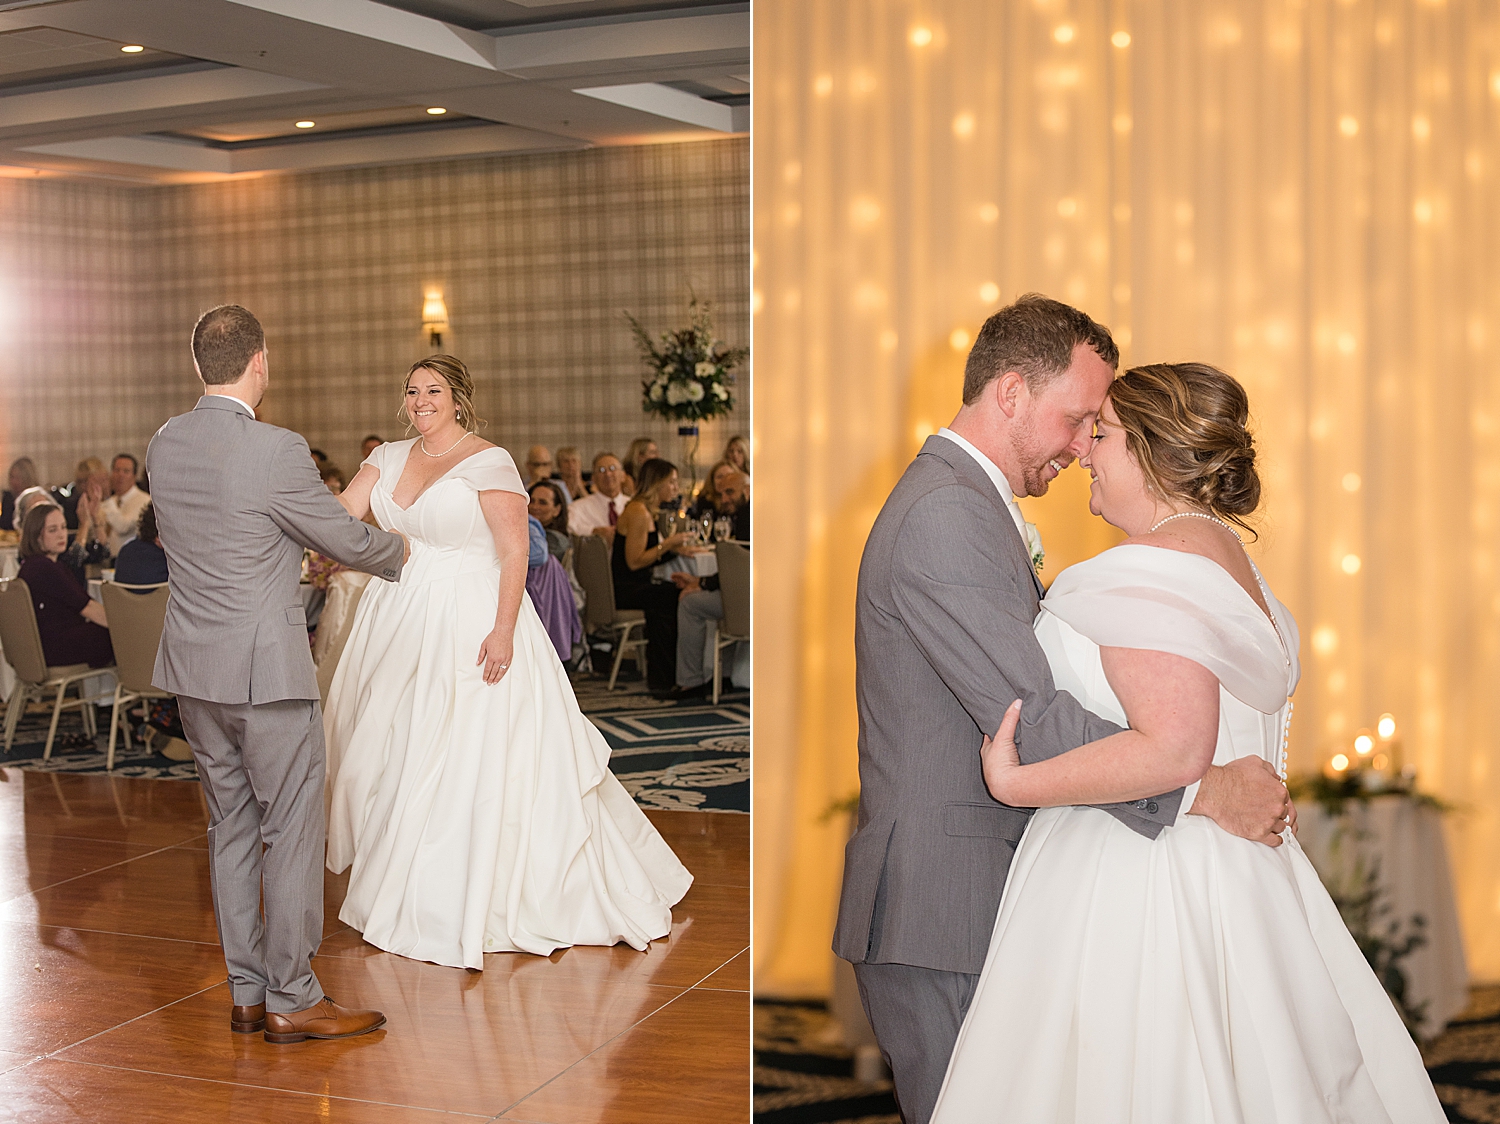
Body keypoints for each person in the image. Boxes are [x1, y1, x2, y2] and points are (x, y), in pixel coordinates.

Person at [931, 362, 1444, 1122]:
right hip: (1245, 875)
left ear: (1147, 448)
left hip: (1141, 880)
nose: (1084, 453)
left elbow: (1174, 751)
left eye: (1100, 434)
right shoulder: (1242, 572)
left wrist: (1015, 784)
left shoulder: (1142, 572)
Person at [836, 295, 1292, 1124]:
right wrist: (1203, 788)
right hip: (948, 900)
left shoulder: (974, 505)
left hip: (987, 890)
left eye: (1097, 429)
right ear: (1010, 393)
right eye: (1079, 418)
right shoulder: (946, 512)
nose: (1086, 445)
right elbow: (1033, 717)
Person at [324, 355, 691, 970]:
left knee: (468, 748)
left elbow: (515, 550)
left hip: (473, 614)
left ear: (458, 399)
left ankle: (478, 894)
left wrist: (503, 630)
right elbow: (338, 519)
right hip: (397, 613)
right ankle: (406, 883)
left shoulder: (488, 460)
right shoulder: (384, 457)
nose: (420, 401)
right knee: (397, 748)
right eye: (412, 392)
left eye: (433, 391)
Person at [148, 304, 407, 1045]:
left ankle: (247, 994)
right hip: (266, 673)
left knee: (230, 828)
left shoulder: (167, 441)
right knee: (291, 832)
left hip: (195, 670)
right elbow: (340, 537)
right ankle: (295, 996)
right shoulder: (277, 448)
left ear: (201, 365)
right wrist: (404, 553)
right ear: (260, 361)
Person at [612, 457, 695, 693]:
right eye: (672, 482)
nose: (676, 488)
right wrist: (669, 544)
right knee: (675, 598)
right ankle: (664, 678)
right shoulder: (638, 511)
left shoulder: (643, 509)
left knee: (674, 592)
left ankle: (668, 675)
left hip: (635, 584)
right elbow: (635, 561)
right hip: (627, 588)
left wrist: (677, 550)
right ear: (657, 483)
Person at [669, 467, 749, 698]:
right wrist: (701, 581)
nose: (724, 499)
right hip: (748, 599)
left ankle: (691, 681)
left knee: (689, 603)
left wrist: (702, 584)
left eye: (730, 493)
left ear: (747, 489)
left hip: (747, 604)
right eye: (721, 494)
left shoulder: (747, 516)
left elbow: (740, 568)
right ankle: (723, 677)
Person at [16, 504, 114, 669]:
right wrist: (126, 623)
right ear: (36, 536)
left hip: (39, 649)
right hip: (54, 648)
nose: (61, 534)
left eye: (63, 527)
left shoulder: (32, 565)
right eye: (52, 530)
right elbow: (87, 607)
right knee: (120, 634)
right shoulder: (45, 568)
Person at [93, 453, 151, 558]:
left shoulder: (144, 500)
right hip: (107, 558)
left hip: (131, 558)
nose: (120, 475)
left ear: (134, 476)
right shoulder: (111, 501)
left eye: (126, 471)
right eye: (117, 470)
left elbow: (123, 527)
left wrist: (106, 497)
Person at [566, 453, 629, 543]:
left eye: (612, 468)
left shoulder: (635, 506)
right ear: (593, 479)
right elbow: (570, 530)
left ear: (623, 476)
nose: (608, 474)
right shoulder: (577, 508)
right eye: (601, 470)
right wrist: (593, 532)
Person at [113, 502, 169, 586]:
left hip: (124, 599)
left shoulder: (125, 552)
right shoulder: (169, 562)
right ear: (159, 536)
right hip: (159, 599)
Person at [527, 480, 570, 560]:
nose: (535, 507)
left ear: (557, 510)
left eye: (542, 503)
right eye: (531, 501)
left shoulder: (555, 540)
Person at [1, 456, 38, 531]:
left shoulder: (36, 498)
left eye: (18, 478)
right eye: (11, 477)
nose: (13, 482)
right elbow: (4, 524)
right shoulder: (9, 498)